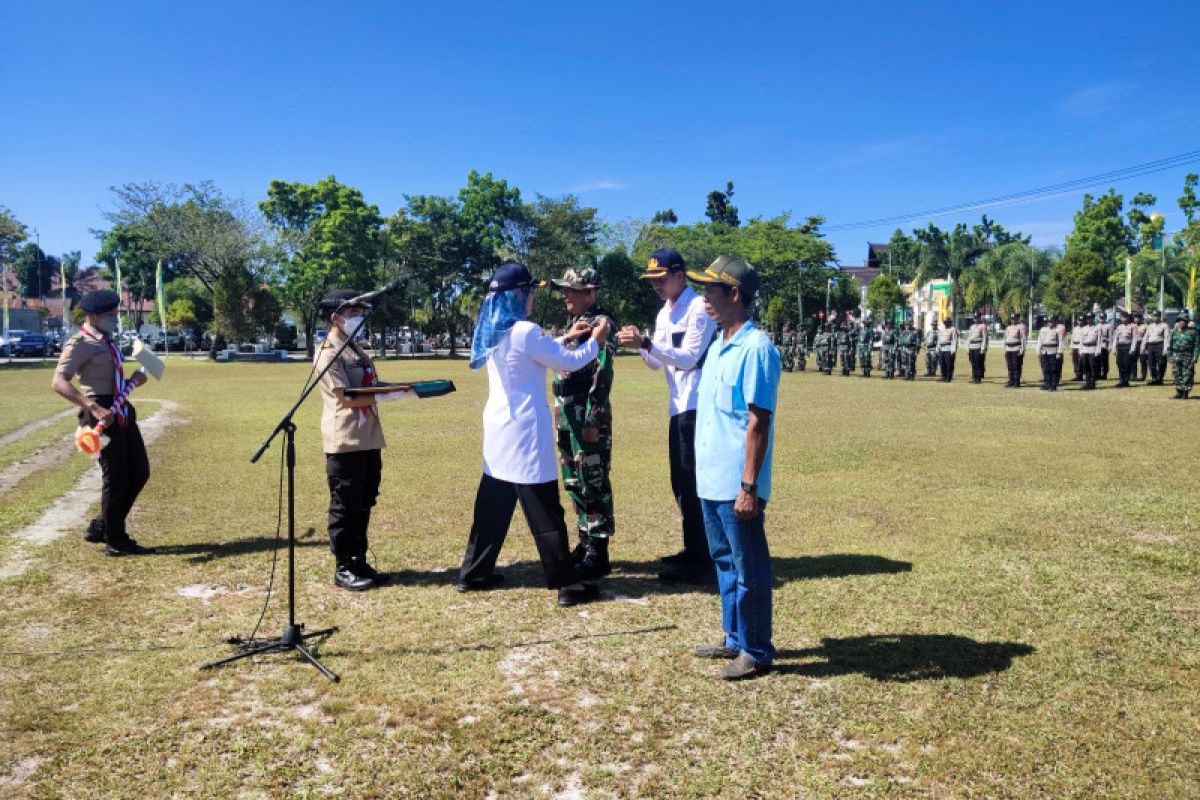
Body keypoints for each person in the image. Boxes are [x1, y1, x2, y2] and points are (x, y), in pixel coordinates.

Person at [458, 262, 611, 606]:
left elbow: (533, 352)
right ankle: (566, 584)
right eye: (529, 292)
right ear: (519, 295)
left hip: (499, 428)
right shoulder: (526, 330)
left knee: (492, 504)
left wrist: (563, 339)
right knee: (544, 508)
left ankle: (474, 571)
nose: (531, 300)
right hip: (525, 430)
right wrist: (595, 342)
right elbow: (566, 363)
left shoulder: (495, 331)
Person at [686, 256, 779, 681]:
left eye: (711, 290)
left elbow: (758, 422)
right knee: (724, 561)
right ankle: (735, 638)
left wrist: (749, 486)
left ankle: (757, 649)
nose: (704, 297)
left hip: (736, 482)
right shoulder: (719, 345)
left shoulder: (757, 349)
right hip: (710, 478)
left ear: (735, 294)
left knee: (749, 567)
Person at [616, 248, 718, 584]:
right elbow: (656, 362)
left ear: (679, 275)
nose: (656, 286)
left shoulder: (699, 308)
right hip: (677, 406)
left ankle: (702, 559)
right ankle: (693, 550)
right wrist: (641, 346)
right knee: (680, 482)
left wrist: (647, 342)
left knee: (692, 482)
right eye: (651, 281)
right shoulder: (664, 313)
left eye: (660, 279)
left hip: (698, 404)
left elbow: (689, 358)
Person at [51, 290, 153, 556]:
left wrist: (133, 380)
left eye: (116, 314)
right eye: (110, 315)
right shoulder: (79, 343)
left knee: (139, 471)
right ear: (92, 315)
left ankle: (102, 525)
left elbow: (113, 376)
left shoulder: (107, 340)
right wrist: (92, 407)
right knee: (116, 477)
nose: (115, 319)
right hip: (98, 412)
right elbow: (59, 382)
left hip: (120, 408)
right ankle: (116, 541)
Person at [313, 289, 396, 591]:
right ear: (336, 318)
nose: (359, 317)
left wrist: (394, 389)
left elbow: (369, 384)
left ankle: (359, 559)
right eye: (353, 313)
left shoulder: (355, 349)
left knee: (365, 499)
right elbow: (344, 395)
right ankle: (343, 566)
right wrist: (388, 393)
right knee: (345, 504)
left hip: (368, 436)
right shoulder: (328, 352)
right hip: (345, 437)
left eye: (361, 312)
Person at [550, 267, 617, 580]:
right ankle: (585, 540)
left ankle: (598, 551)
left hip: (586, 412)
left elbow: (601, 372)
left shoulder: (601, 324)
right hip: (567, 410)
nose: (565, 294)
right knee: (573, 479)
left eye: (572, 290)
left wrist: (592, 414)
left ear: (590, 292)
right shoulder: (574, 322)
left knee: (592, 478)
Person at [1168, 313, 1198, 399]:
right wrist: (1169, 356)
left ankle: (1185, 392)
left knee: (1187, 374)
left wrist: (1195, 357)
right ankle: (1179, 392)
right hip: (1176, 355)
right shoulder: (1174, 332)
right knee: (1177, 374)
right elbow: (1170, 345)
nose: (1181, 322)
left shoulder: (1193, 332)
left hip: (1187, 356)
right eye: (1180, 321)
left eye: (1183, 321)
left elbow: (1196, 346)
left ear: (1186, 322)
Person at [1113, 311, 1140, 387]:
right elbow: (1116, 338)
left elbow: (1135, 338)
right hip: (1120, 347)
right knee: (1119, 363)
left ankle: (1126, 380)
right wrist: (1114, 348)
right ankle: (1121, 379)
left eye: (1124, 317)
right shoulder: (1119, 327)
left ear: (1128, 318)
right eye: (1121, 317)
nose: (1123, 319)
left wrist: (1132, 349)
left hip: (1128, 346)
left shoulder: (1133, 326)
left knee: (1127, 364)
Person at [1143, 311, 1171, 385]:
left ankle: (1160, 378)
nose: (1155, 317)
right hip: (1150, 345)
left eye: (1156, 316)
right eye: (1153, 316)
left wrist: (1166, 349)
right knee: (1151, 362)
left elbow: (1167, 337)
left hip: (1160, 345)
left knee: (1161, 363)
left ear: (1159, 316)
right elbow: (1146, 336)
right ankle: (1154, 378)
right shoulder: (1150, 326)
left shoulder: (1164, 325)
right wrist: (1143, 346)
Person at [1037, 315, 1062, 391]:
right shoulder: (1042, 330)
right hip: (1044, 351)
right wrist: (1038, 350)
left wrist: (1059, 352)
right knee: (1046, 369)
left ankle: (1053, 385)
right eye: (1048, 321)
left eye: (1051, 321)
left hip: (1053, 351)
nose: (1050, 323)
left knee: (1053, 369)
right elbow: (1039, 341)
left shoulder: (1057, 330)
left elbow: (1060, 342)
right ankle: (1047, 384)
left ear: (1055, 322)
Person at [1002, 314, 1027, 388]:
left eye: (1014, 318)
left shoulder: (1021, 327)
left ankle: (1016, 382)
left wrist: (1022, 349)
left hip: (1016, 348)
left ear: (1017, 319)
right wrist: (1004, 348)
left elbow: (1023, 339)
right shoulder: (1008, 328)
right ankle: (1011, 381)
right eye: (1012, 319)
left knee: (1016, 366)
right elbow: (1004, 339)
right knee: (1010, 366)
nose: (1013, 320)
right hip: (1008, 348)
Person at [1077, 313, 1101, 390]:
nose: (1088, 320)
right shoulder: (1084, 329)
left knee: (1093, 367)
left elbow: (1099, 341)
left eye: (1090, 318)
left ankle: (1092, 383)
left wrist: (1098, 350)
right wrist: (1080, 350)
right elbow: (1081, 340)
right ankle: (1087, 383)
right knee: (1086, 367)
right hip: (1085, 349)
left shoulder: (1097, 328)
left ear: (1093, 319)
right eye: (1087, 318)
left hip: (1093, 349)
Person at [965, 313, 989, 383]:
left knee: (978, 362)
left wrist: (983, 348)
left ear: (980, 317)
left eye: (977, 317)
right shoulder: (972, 327)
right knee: (973, 362)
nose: (975, 319)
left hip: (978, 346)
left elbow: (985, 338)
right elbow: (969, 337)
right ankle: (974, 377)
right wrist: (967, 347)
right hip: (972, 346)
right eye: (975, 317)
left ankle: (978, 378)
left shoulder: (983, 326)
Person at [936, 317, 958, 382]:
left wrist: (953, 350)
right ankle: (943, 376)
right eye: (944, 322)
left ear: (949, 322)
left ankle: (948, 377)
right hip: (941, 349)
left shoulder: (953, 329)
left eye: (947, 322)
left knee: (949, 364)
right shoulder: (941, 329)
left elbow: (954, 340)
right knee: (942, 364)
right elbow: (939, 340)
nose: (945, 323)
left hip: (949, 348)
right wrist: (937, 348)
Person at [1098, 313, 1114, 380]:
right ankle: (1098, 373)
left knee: (1105, 360)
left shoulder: (1108, 326)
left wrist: (1110, 346)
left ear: (1105, 318)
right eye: (1101, 318)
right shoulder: (1097, 326)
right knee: (1098, 360)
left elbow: (1110, 336)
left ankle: (1104, 374)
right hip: (1098, 344)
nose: (1102, 319)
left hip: (1105, 344)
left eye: (1103, 318)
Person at [1134, 313, 1148, 381]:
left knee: (1143, 361)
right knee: (1133, 360)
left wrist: (1145, 346)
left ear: (1141, 319)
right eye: (1135, 318)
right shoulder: (1132, 326)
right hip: (1134, 344)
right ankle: (1133, 375)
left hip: (1142, 343)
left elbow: (1147, 336)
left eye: (1138, 318)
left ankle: (1143, 376)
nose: (1136, 319)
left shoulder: (1145, 326)